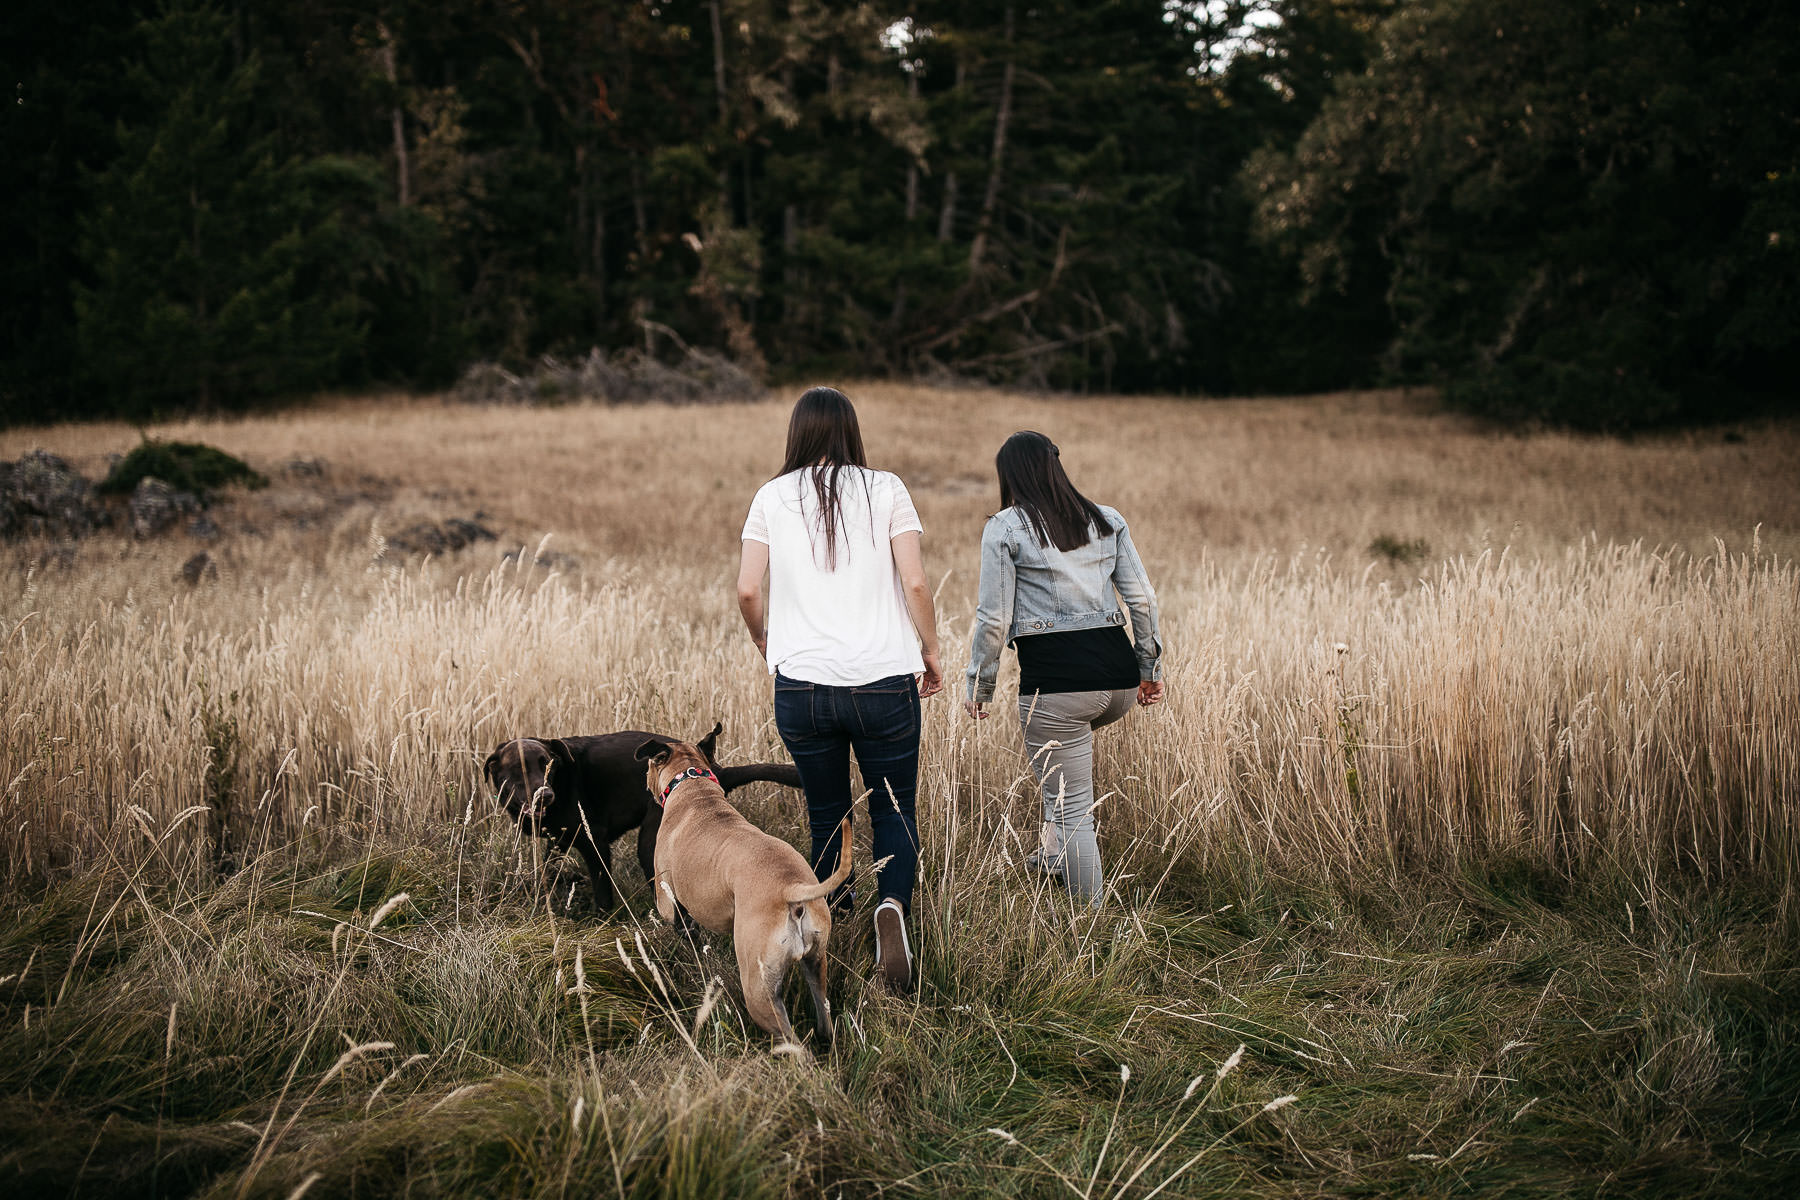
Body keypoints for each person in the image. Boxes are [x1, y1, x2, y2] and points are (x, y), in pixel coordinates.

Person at [737, 386, 944, 991]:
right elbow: (916, 581)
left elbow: (748, 589)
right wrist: (928, 649)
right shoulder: (887, 489)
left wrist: (766, 644)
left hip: (801, 685)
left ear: (796, 433)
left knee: (826, 809)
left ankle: (830, 918)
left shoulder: (770, 496)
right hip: (884, 682)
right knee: (893, 806)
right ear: (851, 431)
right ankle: (891, 908)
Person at [963, 431, 1164, 906]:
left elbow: (994, 618)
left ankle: (1090, 922)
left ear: (1009, 476)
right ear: (1055, 466)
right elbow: (1142, 600)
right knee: (1063, 784)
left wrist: (980, 684)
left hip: (1058, 686)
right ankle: (1054, 858)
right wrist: (1148, 668)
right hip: (1116, 682)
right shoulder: (1105, 520)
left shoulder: (1006, 528)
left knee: (1073, 808)